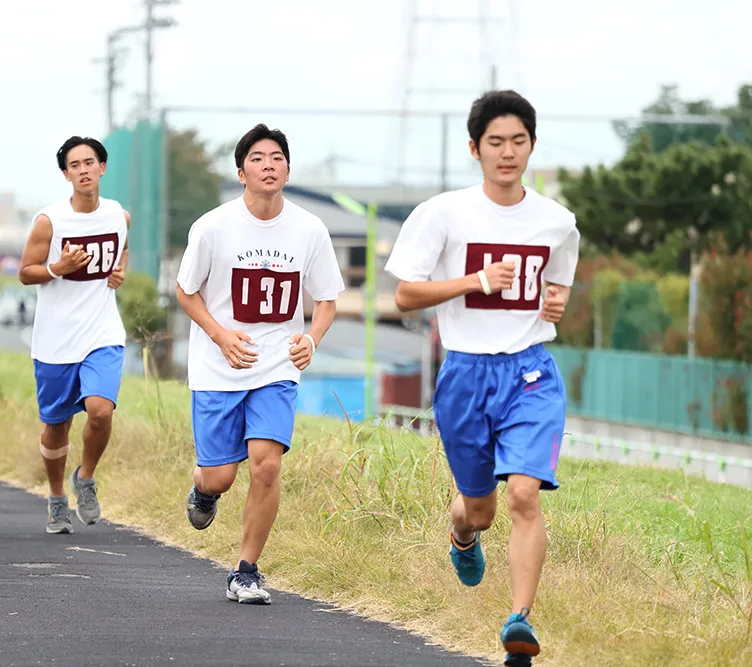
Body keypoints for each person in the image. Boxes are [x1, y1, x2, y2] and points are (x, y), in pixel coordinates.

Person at [384, 90, 580, 667]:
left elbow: (560, 276)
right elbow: (403, 296)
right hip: (466, 374)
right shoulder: (444, 213)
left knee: (523, 494)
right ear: (475, 148)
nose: (507, 152)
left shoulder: (556, 221)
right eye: (495, 142)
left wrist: (557, 301)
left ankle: (519, 622)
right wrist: (475, 281)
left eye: (518, 141)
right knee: (482, 509)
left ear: (532, 146)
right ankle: (462, 534)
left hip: (530, 372)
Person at [176, 124, 345, 605]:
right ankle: (204, 491)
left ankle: (246, 571)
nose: (267, 165)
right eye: (257, 158)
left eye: (276, 157)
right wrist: (221, 335)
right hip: (218, 365)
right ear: (241, 171)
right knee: (220, 476)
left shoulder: (310, 229)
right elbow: (186, 292)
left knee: (266, 466)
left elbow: (328, 300)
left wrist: (311, 340)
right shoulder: (212, 227)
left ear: (288, 170)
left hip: (275, 365)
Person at [18, 136, 129, 535]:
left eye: (90, 162)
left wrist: (119, 271)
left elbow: (122, 250)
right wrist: (57, 267)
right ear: (66, 174)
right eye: (74, 165)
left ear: (102, 167)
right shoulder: (50, 220)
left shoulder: (119, 215)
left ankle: (85, 477)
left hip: (102, 332)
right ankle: (55, 497)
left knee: (101, 410)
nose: (83, 170)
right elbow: (25, 271)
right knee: (56, 426)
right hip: (55, 339)